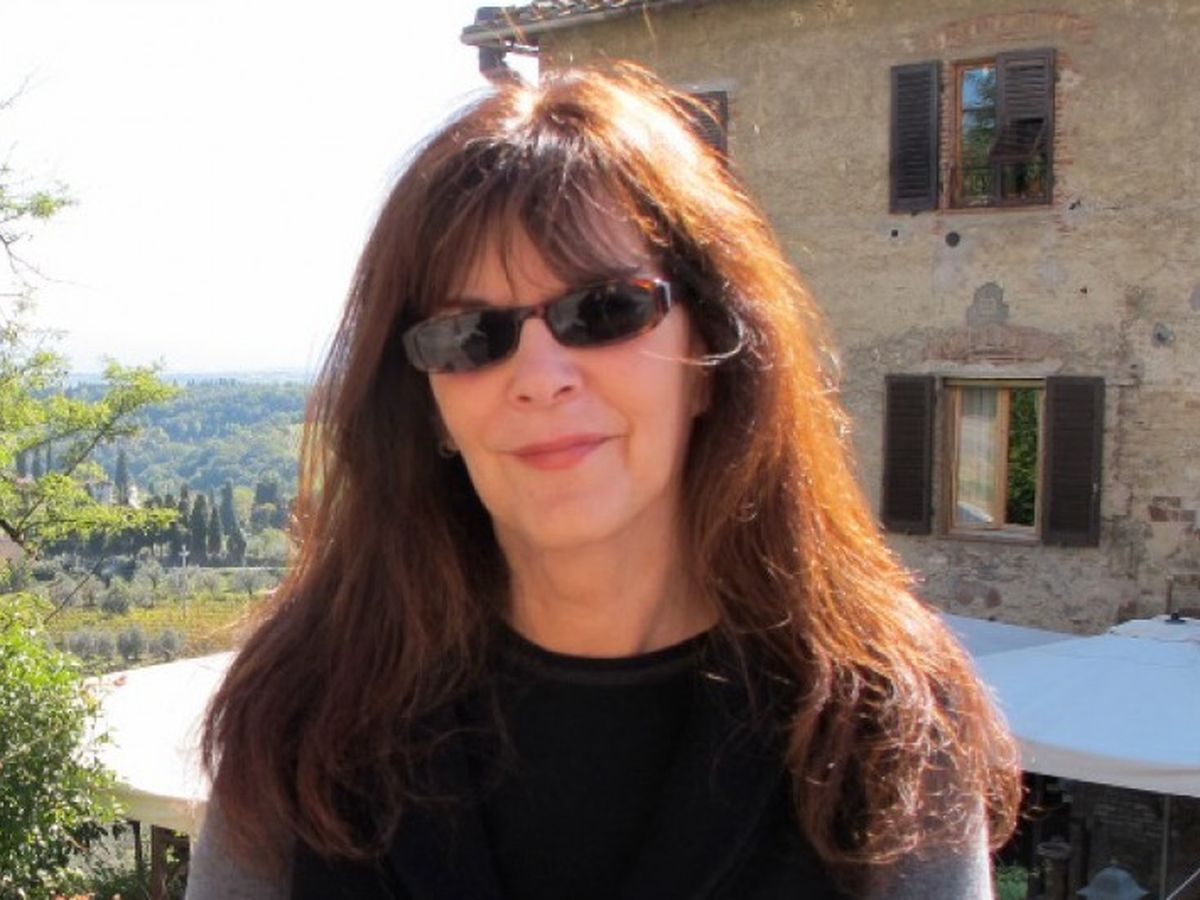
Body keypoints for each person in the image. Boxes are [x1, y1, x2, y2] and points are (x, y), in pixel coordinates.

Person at [187, 63, 1020, 899]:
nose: (540, 376)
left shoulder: (878, 725)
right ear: (429, 406)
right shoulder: (305, 719)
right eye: (470, 334)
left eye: (605, 308)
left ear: (710, 356)